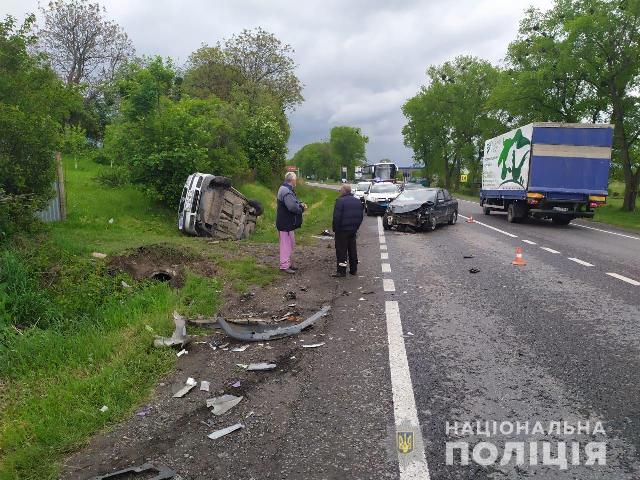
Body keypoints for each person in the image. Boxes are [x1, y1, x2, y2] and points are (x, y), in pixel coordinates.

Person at [276, 172, 307, 274]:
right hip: (285, 223)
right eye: (295, 179)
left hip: (287, 222)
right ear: (292, 180)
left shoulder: (286, 189)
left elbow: (293, 203)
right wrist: (302, 208)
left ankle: (288, 263)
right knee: (285, 245)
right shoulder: (286, 191)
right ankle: (284, 266)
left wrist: (299, 203)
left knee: (290, 243)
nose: (296, 181)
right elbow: (292, 207)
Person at [332, 184, 364, 277]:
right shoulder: (357, 201)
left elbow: (336, 217)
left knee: (341, 251)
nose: (340, 192)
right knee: (352, 249)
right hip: (353, 230)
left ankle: (341, 271)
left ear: (344, 191)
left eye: (340, 190)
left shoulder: (340, 201)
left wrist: (335, 229)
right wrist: (356, 227)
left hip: (342, 231)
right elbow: (361, 216)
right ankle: (353, 269)